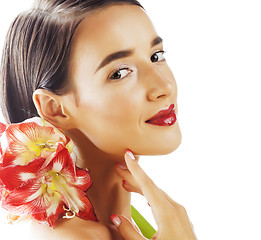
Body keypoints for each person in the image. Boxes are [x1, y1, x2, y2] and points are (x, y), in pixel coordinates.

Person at [0, 0, 197, 239]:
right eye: (120, 73)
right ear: (55, 109)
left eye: (156, 56)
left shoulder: (135, 224)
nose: (164, 86)